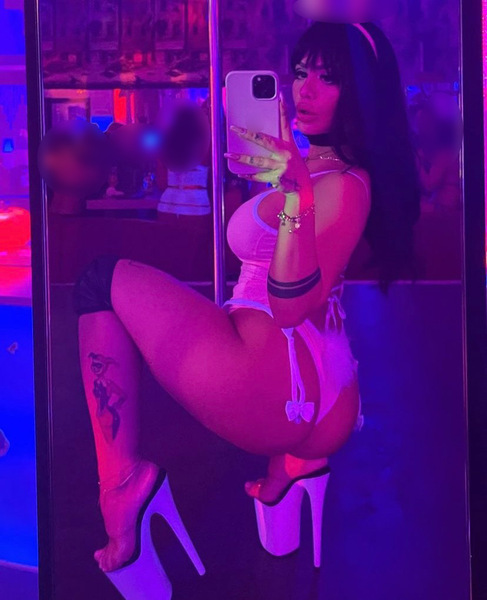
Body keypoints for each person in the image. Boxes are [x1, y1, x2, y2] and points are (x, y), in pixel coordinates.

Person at [73, 21, 419, 587]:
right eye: (301, 73)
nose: (304, 90)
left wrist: (295, 197)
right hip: (323, 394)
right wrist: (290, 183)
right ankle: (291, 475)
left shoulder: (340, 185)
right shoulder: (331, 173)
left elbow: (289, 306)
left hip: (274, 384)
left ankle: (123, 488)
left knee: (97, 282)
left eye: (327, 78)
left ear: (360, 93)